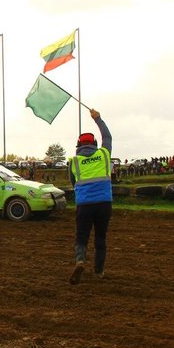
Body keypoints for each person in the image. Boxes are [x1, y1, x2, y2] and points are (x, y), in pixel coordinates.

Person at [68, 108, 112, 285]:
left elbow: (73, 183)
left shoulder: (74, 161)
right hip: (104, 203)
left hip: (84, 204)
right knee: (100, 237)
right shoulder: (103, 154)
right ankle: (99, 271)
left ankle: (80, 261)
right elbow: (107, 137)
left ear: (78, 146)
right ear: (94, 144)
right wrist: (98, 118)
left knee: (81, 237)